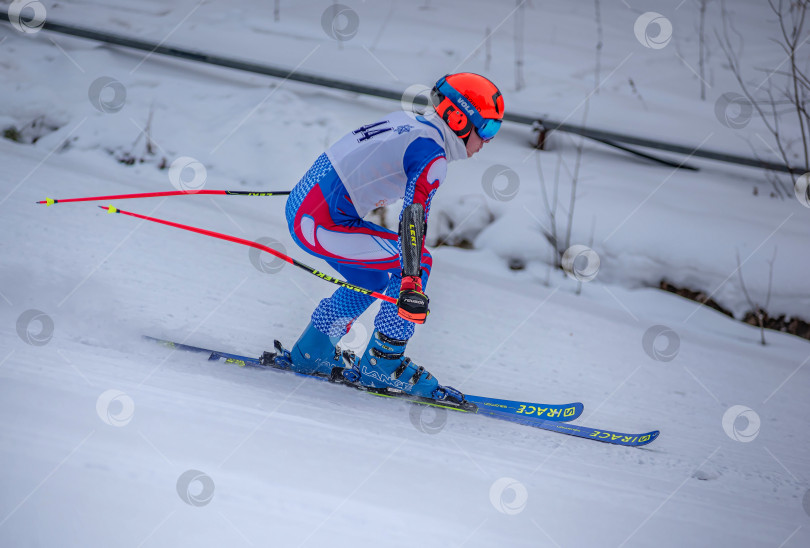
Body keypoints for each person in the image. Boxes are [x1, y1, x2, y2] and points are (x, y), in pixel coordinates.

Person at [283, 72, 504, 402]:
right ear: (459, 118)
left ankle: (313, 349)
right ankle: (383, 363)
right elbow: (413, 218)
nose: (488, 140)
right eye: (487, 128)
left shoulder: (410, 122)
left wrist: (311, 195)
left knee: (375, 276)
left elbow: (352, 158)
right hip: (321, 222)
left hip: (309, 211)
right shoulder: (431, 155)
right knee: (417, 262)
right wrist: (411, 282)